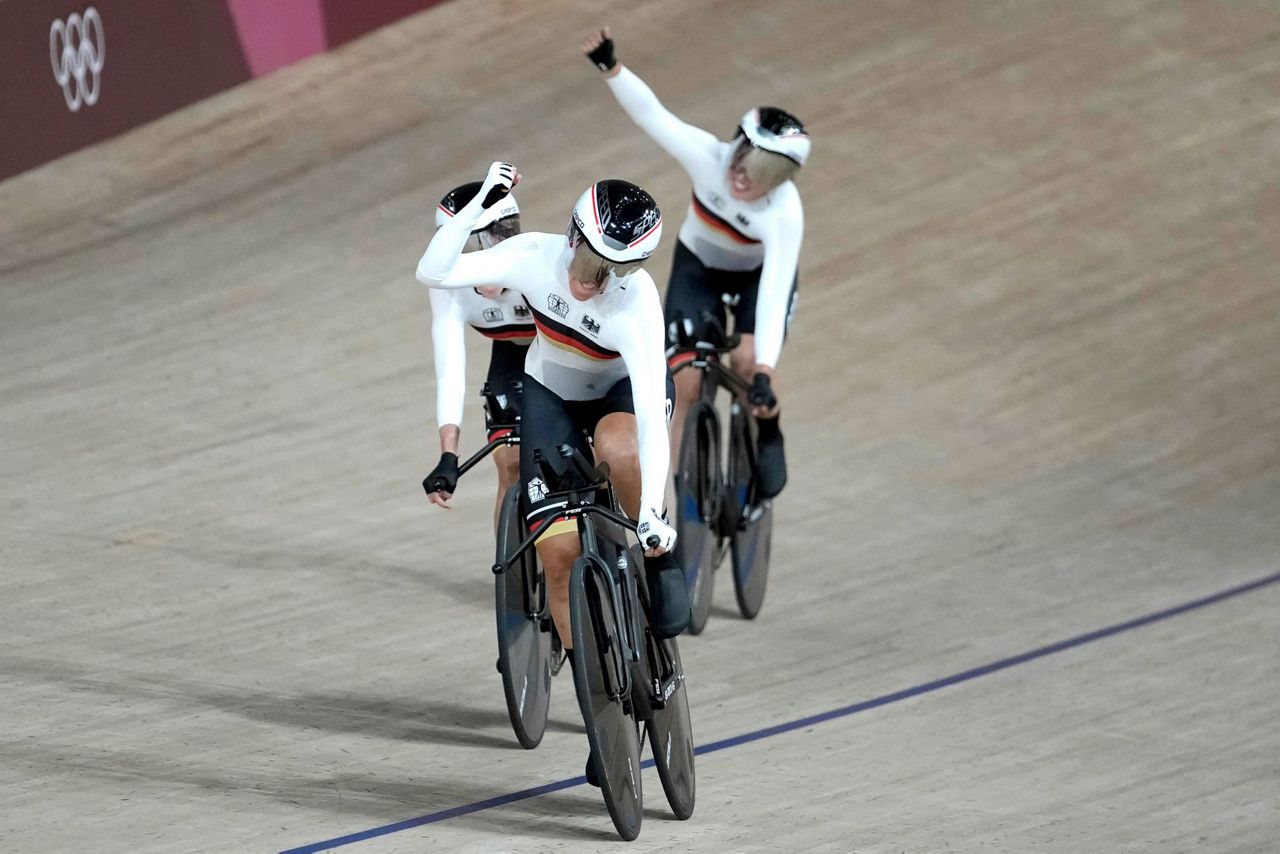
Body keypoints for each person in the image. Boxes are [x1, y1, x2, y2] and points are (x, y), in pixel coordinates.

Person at [416, 161, 690, 783]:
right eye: (594, 264)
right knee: (558, 562)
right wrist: (482, 199)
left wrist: (652, 521)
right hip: (550, 392)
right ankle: (601, 710)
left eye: (617, 271)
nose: (598, 282)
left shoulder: (638, 304)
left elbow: (652, 417)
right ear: (571, 236)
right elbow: (433, 271)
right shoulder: (530, 257)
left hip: (619, 395)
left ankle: (656, 561)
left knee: (621, 450)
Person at [582, 26, 810, 499]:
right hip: (699, 268)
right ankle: (681, 496)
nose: (748, 178)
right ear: (736, 144)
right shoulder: (708, 157)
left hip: (756, 278)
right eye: (748, 159)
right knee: (683, 384)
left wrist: (765, 369)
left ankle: (768, 427)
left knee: (747, 361)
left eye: (770, 173)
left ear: (786, 179)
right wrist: (612, 67)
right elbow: (653, 116)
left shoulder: (784, 214)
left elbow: (774, 290)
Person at [421, 182, 531, 530]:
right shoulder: (449, 284)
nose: (481, 257)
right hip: (512, 357)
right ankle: (512, 578)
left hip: (568, 355)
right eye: (470, 246)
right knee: (510, 466)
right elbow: (450, 373)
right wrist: (448, 455)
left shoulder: (539, 264)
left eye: (501, 235)